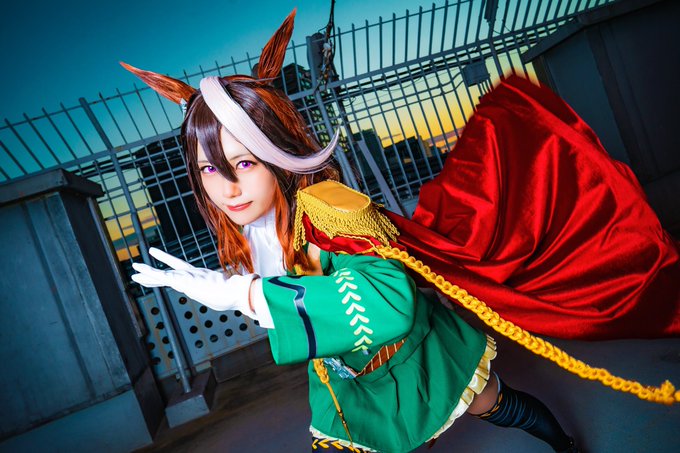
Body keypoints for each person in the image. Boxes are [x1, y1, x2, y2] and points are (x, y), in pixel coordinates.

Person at [123, 7, 680, 451]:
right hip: (348, 382)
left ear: (275, 154)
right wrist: (235, 285)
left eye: (243, 163)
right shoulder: (256, 227)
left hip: (413, 355)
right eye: (209, 170)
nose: (227, 188)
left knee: (495, 405)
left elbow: (390, 305)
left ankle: (565, 445)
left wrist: (241, 294)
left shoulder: (328, 209)